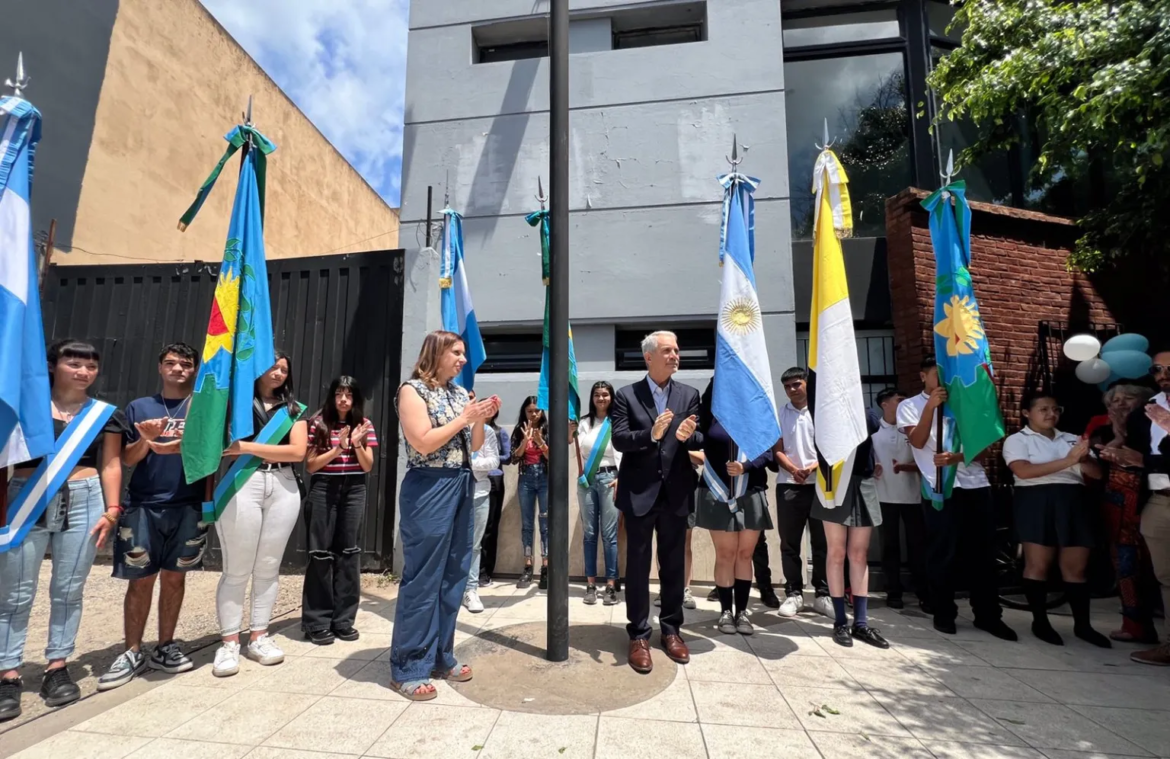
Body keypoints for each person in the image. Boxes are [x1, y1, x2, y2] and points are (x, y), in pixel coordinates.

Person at [0, 340, 125, 720]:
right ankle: (8, 673)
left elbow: (112, 464)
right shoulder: (23, 406)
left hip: (87, 498)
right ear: (53, 366)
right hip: (28, 496)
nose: (83, 372)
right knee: (16, 592)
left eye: (90, 366)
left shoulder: (104, 414)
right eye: (74, 364)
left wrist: (113, 509)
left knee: (69, 589)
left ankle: (57, 665)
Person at [390, 330, 499, 700]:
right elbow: (422, 440)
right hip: (429, 485)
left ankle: (441, 654)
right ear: (435, 352)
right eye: (457, 352)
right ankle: (408, 666)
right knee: (423, 578)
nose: (463, 360)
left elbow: (476, 444)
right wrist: (465, 417)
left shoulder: (457, 393)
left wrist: (480, 417)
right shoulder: (412, 391)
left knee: (454, 575)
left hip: (462, 483)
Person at [98, 343, 208, 692]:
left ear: (194, 370)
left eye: (186, 364)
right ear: (160, 367)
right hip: (144, 505)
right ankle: (132, 650)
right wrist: (146, 438)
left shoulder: (204, 407)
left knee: (175, 579)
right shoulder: (139, 407)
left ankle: (166, 645)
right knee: (141, 580)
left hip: (187, 504)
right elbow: (127, 459)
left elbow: (213, 457)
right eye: (171, 363)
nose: (178, 369)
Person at [898, 356, 1016, 641]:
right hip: (940, 487)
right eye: (936, 375)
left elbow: (985, 451)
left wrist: (958, 457)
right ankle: (943, 612)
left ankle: (988, 614)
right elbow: (916, 440)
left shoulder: (965, 403)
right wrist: (931, 407)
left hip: (975, 485)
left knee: (983, 553)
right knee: (943, 553)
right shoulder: (910, 405)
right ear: (923, 376)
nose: (943, 380)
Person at [211, 352, 309, 677]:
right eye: (274, 366)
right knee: (237, 569)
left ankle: (259, 636)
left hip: (283, 485)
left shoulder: (294, 411)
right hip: (243, 482)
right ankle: (228, 643)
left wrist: (248, 447)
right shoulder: (235, 407)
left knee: (268, 567)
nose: (279, 372)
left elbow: (297, 452)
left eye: (285, 368)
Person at [611, 331, 702, 674]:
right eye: (668, 350)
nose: (675, 355)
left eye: (677, 350)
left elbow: (700, 433)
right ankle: (638, 635)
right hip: (639, 493)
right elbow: (620, 439)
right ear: (649, 357)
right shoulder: (626, 395)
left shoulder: (689, 394)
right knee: (637, 566)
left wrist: (687, 435)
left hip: (676, 492)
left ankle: (672, 630)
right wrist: (650, 435)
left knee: (674, 565)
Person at [1003, 393, 1108, 647]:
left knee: (1076, 568)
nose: (1051, 414)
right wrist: (1069, 460)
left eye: (1055, 409)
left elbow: (1096, 474)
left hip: (1072, 500)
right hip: (1036, 500)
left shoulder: (1071, 439)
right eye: (1043, 409)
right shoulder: (1017, 440)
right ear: (1027, 413)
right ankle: (1040, 621)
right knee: (1038, 565)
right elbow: (1024, 471)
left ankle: (1083, 625)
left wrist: (1082, 459)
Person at [1101, 351, 1170, 665]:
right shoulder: (1149, 410)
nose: (1163, 373)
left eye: (1169, 368)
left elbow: (1146, 458)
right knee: (1164, 574)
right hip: (1155, 501)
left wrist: (1143, 461)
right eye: (1157, 369)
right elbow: (1140, 451)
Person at [301, 375, 377, 645]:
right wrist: (337, 449)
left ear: (355, 398)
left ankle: (343, 620)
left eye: (349, 395)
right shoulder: (318, 424)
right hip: (324, 487)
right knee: (320, 552)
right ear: (332, 396)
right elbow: (310, 466)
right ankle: (317, 621)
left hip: (355, 488)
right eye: (338, 394)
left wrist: (355, 443)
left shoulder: (364, 425)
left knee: (349, 552)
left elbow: (368, 466)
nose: (343, 399)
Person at [694, 382, 774, 636]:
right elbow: (695, 439)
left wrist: (747, 466)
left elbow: (769, 451)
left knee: (745, 554)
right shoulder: (710, 414)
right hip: (717, 491)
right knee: (726, 554)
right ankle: (725, 612)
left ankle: (742, 612)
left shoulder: (756, 412)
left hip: (750, 490)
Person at [811, 393, 889, 648]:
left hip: (862, 482)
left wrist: (851, 403)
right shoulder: (823, 410)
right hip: (833, 484)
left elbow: (873, 424)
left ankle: (862, 622)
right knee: (836, 553)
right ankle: (840, 621)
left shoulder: (865, 412)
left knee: (859, 554)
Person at [1087, 383, 1158, 643]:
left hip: (1149, 503)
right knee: (1125, 566)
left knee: (1156, 567)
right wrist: (1115, 439)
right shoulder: (1102, 431)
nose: (1119, 404)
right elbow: (1093, 465)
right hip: (1115, 508)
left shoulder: (1156, 430)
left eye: (1128, 399)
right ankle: (1135, 624)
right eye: (1114, 400)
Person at [771, 367, 831, 618]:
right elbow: (777, 449)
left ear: (806, 384)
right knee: (790, 543)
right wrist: (794, 469)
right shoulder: (779, 415)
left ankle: (823, 594)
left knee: (822, 543)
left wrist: (813, 468)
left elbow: (831, 448)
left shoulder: (822, 412)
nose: (792, 390)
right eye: (787, 386)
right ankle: (794, 593)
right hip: (789, 485)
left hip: (820, 485)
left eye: (796, 384)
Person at [871, 388, 927, 610]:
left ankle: (923, 591)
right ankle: (893, 591)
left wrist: (907, 467)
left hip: (913, 496)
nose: (904, 404)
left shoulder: (912, 429)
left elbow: (926, 460)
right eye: (899, 400)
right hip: (884, 496)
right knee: (890, 546)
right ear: (884, 404)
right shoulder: (873, 431)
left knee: (918, 546)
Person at [575, 381, 622, 606]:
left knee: (609, 535)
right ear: (591, 398)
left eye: (605, 395)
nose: (601, 399)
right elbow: (571, 443)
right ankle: (591, 584)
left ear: (611, 397)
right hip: (587, 481)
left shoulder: (618, 422)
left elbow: (627, 453)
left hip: (611, 479)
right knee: (589, 534)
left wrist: (621, 478)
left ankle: (611, 585)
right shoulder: (584, 422)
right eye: (597, 395)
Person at [465, 390, 500, 613]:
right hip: (453, 494)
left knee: (475, 544)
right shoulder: (451, 429)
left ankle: (470, 589)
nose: (468, 402)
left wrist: (470, 465)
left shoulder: (486, 431)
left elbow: (494, 461)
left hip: (479, 493)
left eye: (471, 398)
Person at [510, 396, 550, 589]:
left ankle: (546, 567)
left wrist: (540, 441)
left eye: (536, 410)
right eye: (529, 411)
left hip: (544, 478)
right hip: (525, 478)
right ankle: (527, 566)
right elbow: (514, 458)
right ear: (524, 412)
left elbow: (553, 457)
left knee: (545, 523)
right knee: (527, 524)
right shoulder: (519, 429)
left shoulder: (548, 429)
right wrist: (525, 442)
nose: (533, 414)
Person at [479, 406, 510, 587]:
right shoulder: (470, 429)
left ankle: (485, 572)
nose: (487, 412)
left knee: (489, 527)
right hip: (474, 479)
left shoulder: (499, 432)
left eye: (491, 409)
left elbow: (507, 457)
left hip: (493, 479)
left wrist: (488, 457)